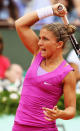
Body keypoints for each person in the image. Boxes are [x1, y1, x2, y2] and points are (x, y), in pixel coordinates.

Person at [12, 3, 76, 131]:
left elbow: (71, 109)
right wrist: (50, 10)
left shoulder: (67, 72)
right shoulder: (38, 53)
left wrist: (61, 114)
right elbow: (20, 24)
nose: (40, 43)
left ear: (59, 44)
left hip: (44, 128)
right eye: (40, 38)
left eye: (45, 39)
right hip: (19, 127)